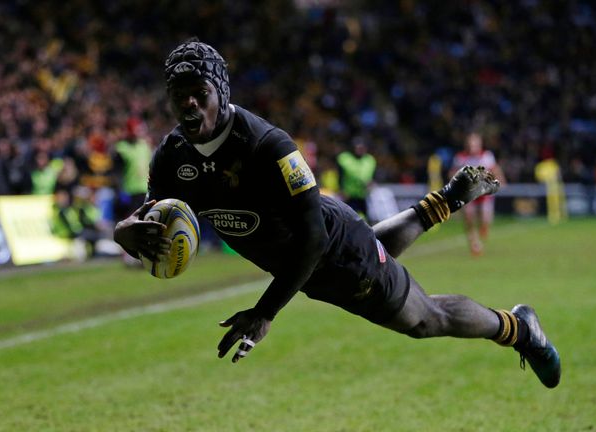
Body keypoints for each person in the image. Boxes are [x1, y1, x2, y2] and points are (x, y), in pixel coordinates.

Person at [113, 40, 560, 388]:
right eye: (180, 96)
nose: (190, 104)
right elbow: (151, 216)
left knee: (425, 319)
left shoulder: (267, 145)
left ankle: (520, 329)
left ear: (221, 93)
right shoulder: (170, 156)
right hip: (313, 253)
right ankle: (444, 200)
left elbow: (316, 240)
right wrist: (125, 232)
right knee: (374, 253)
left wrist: (265, 312)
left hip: (331, 251)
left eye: (201, 93)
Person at [450, 131, 507, 256]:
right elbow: (453, 173)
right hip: (467, 192)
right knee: (469, 218)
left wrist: (501, 180)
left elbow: (495, 169)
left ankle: (483, 229)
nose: (473, 146)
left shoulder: (487, 156)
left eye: (475, 143)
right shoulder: (461, 157)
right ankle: (474, 244)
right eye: (471, 143)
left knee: (485, 219)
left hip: (484, 192)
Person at [336, 137, 377, 219]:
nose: (360, 150)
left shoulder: (370, 160)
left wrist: (371, 184)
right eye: (358, 147)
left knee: (366, 219)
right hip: (348, 196)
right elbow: (339, 176)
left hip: (364, 195)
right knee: (349, 218)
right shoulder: (344, 158)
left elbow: (373, 177)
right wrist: (341, 190)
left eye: (362, 148)